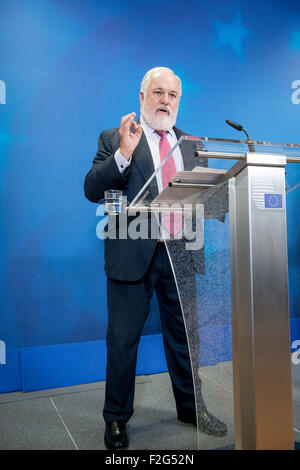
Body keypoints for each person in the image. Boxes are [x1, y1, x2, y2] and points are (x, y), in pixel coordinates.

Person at [84, 67, 227, 449]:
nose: (166, 101)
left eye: (172, 95)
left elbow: (211, 199)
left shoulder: (190, 144)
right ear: (143, 97)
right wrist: (123, 155)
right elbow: (91, 189)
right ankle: (116, 419)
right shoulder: (115, 138)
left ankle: (191, 407)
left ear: (179, 101)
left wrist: (226, 195)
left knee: (185, 340)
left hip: (180, 252)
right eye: (158, 93)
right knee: (123, 341)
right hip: (133, 255)